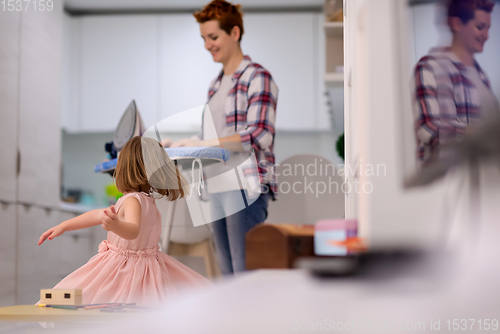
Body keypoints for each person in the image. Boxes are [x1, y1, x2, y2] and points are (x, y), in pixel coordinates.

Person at [162, 0, 278, 275]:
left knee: (244, 272)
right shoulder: (215, 85)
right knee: (228, 273)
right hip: (215, 185)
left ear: (235, 33)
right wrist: (179, 144)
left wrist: (200, 144)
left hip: (244, 185)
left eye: (213, 37)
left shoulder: (257, 77)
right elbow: (212, 136)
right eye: (204, 38)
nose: (207, 45)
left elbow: (259, 134)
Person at [38, 136, 213, 306]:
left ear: (125, 168)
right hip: (148, 265)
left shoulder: (132, 200)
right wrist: (64, 226)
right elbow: (97, 215)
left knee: (97, 299)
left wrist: (116, 226)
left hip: (124, 267)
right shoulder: (147, 200)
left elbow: (133, 230)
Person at [413, 0, 498, 164]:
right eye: (480, 27)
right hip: (444, 184)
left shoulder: (482, 77)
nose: (486, 36)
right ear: (457, 24)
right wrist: (482, 135)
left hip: (480, 179)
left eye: (488, 29)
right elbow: (428, 128)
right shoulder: (429, 68)